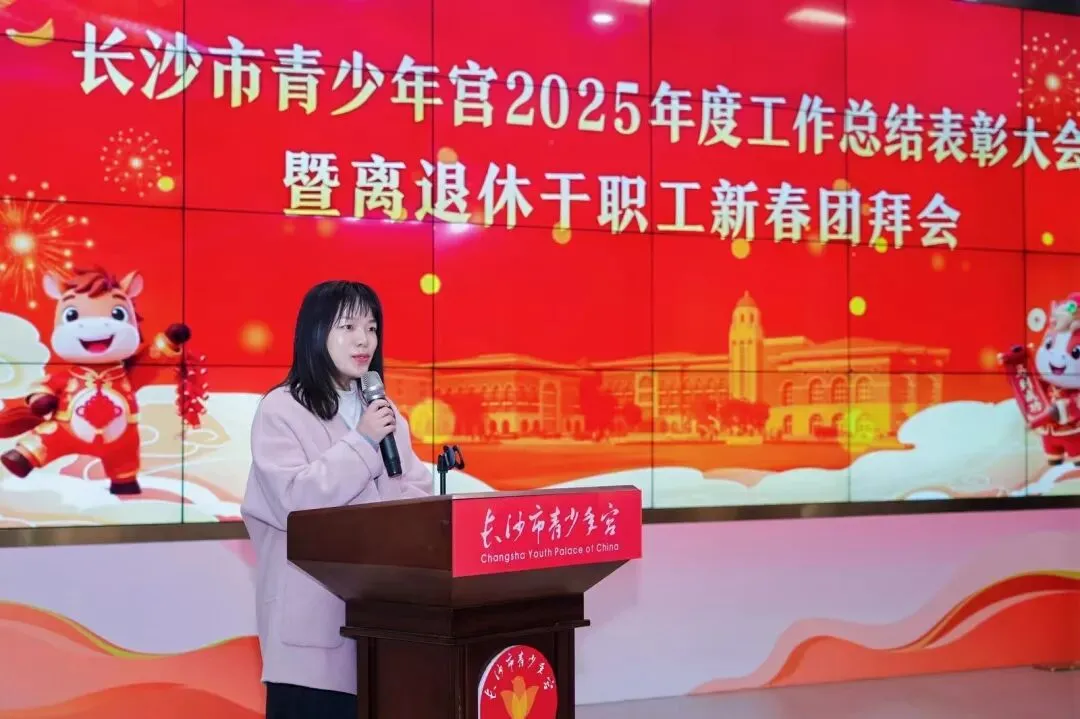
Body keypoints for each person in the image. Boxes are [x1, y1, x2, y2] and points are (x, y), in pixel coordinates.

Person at [241, 281, 433, 719]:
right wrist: (362, 442)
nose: (364, 340)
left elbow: (416, 495)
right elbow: (297, 503)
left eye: (371, 327)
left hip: (383, 632)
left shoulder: (384, 413)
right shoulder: (281, 409)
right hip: (312, 639)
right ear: (316, 332)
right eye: (348, 327)